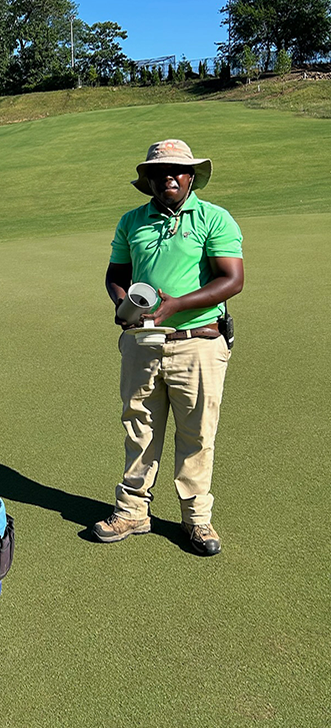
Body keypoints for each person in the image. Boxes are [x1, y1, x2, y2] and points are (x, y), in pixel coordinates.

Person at [93, 139, 244, 556]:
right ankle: (132, 510)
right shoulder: (132, 221)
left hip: (200, 342)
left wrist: (175, 306)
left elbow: (231, 280)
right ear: (149, 181)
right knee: (138, 426)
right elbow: (116, 273)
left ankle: (196, 520)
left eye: (177, 171)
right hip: (142, 342)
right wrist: (122, 304)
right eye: (159, 173)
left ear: (191, 176)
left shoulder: (214, 218)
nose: (168, 178)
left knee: (197, 433)